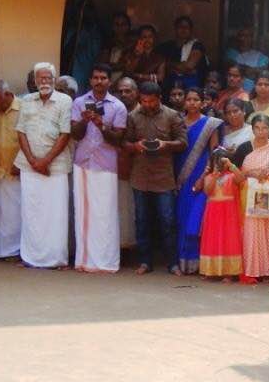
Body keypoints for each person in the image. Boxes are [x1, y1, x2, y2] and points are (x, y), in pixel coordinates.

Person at [123, 80, 187, 274]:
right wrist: (135, 146)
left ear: (159, 99)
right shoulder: (133, 116)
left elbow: (183, 143)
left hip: (163, 177)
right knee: (142, 220)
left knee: (167, 221)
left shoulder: (172, 115)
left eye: (151, 101)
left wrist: (165, 144)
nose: (147, 104)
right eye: (143, 101)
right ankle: (144, 262)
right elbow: (124, 142)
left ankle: (173, 263)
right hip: (140, 176)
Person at [70, 63, 127, 273]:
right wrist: (85, 121)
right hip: (83, 162)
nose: (99, 81)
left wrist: (101, 124)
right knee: (83, 213)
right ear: (90, 80)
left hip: (106, 164)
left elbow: (118, 139)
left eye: (103, 78)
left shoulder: (118, 106)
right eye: (96, 77)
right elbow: (75, 134)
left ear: (109, 81)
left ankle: (106, 262)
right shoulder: (79, 102)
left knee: (106, 214)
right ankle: (84, 261)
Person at [15, 63, 73, 268]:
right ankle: (30, 257)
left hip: (54, 167)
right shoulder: (26, 101)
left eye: (48, 78)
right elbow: (21, 131)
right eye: (41, 78)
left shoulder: (65, 100)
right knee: (31, 211)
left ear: (55, 80)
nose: (44, 82)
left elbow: (65, 134)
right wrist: (33, 161)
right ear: (35, 81)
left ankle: (56, 258)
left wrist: (45, 161)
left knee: (55, 212)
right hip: (29, 165)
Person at [227, 114, 269, 283]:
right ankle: (251, 269)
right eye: (257, 128)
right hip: (248, 197)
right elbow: (234, 175)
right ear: (252, 129)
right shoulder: (244, 148)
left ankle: (266, 270)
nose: (261, 132)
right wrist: (251, 173)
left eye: (264, 128)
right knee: (250, 232)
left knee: (268, 232)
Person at [174, 88, 222, 274]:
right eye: (189, 99)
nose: (192, 103)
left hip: (200, 176)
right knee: (181, 219)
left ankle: (197, 264)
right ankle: (182, 262)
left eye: (196, 100)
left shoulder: (210, 124)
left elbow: (214, 153)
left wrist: (204, 177)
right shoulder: (177, 122)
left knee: (196, 219)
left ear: (203, 103)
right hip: (180, 176)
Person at [0, 78, 22, 259]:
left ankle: (16, 251)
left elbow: (31, 138)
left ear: (8, 95)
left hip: (18, 172)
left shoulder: (24, 108)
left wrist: (23, 163)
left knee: (15, 217)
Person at [198, 148, 243, 280]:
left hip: (228, 213)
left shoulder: (231, 176)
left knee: (228, 240)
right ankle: (210, 270)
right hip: (213, 213)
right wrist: (215, 176)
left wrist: (231, 165)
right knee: (212, 239)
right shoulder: (209, 177)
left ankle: (228, 273)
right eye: (216, 162)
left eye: (222, 161)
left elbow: (241, 178)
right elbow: (207, 191)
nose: (220, 164)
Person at [114, 77, 139, 248]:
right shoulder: (114, 110)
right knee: (120, 209)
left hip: (140, 169)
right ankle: (121, 246)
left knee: (137, 211)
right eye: (121, 91)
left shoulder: (143, 112)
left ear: (136, 93)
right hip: (117, 167)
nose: (124, 94)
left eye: (128, 91)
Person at [159, 15, 207, 90]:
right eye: (180, 27)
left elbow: (188, 66)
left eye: (186, 27)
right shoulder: (168, 46)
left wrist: (170, 64)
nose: (183, 30)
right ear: (175, 29)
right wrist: (179, 67)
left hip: (192, 87)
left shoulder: (197, 46)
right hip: (170, 86)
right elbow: (161, 65)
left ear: (191, 30)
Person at [225, 28, 269, 93]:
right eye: (241, 35)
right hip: (232, 94)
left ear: (252, 38)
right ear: (237, 37)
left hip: (252, 94)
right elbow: (229, 68)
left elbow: (261, 76)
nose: (243, 39)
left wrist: (239, 69)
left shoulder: (261, 57)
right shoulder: (230, 53)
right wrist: (252, 71)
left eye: (247, 36)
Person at [97, 11, 132, 85]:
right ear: (112, 26)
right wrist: (122, 66)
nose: (120, 27)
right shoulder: (108, 44)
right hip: (110, 82)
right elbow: (103, 65)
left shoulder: (133, 44)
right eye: (117, 24)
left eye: (123, 24)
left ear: (128, 26)